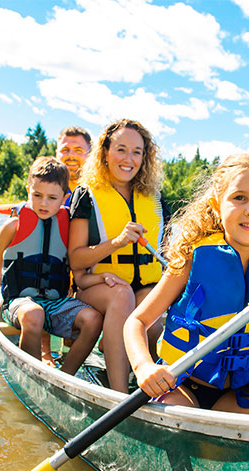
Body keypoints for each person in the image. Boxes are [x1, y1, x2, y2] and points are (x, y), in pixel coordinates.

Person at [123, 151, 249, 415]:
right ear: (217, 204)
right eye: (239, 198)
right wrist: (143, 366)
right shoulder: (194, 256)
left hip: (241, 394)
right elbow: (136, 322)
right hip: (181, 386)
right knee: (186, 420)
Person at [68, 118, 169, 392]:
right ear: (105, 152)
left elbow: (171, 254)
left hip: (144, 285)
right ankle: (119, 394)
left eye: (137, 152)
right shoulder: (86, 195)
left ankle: (147, 382)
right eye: (121, 149)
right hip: (98, 286)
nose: (129, 159)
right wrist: (117, 242)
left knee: (152, 313)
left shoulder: (156, 199)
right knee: (122, 295)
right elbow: (76, 260)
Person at [0, 156, 102, 375]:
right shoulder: (13, 226)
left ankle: (65, 377)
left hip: (55, 303)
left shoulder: (69, 229)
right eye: (37, 195)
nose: (44, 203)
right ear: (28, 190)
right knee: (34, 314)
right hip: (19, 303)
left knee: (93, 319)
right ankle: (32, 374)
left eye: (52, 198)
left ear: (64, 198)